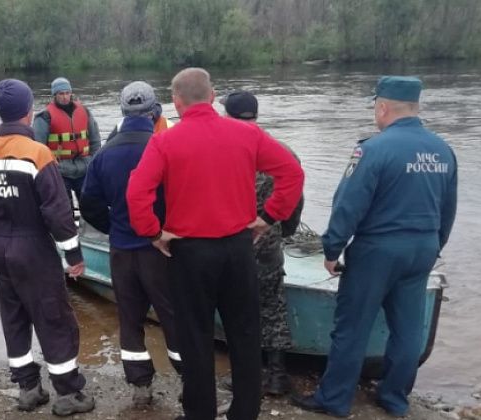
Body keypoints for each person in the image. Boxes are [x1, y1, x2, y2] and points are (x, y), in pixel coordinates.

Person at [127, 68, 305, 420]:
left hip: (190, 252)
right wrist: (269, 217)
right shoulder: (247, 134)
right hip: (239, 248)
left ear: (176, 102)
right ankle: (245, 411)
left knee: (194, 336)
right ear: (212, 96)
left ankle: (200, 413)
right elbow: (292, 173)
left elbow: (137, 193)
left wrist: (153, 233)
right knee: (245, 333)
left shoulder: (164, 141)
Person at [292, 76, 458, 418]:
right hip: (423, 248)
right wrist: (434, 245)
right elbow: (448, 207)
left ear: (383, 107)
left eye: (374, 106)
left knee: (352, 326)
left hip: (378, 251)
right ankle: (395, 398)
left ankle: (334, 400)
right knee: (408, 328)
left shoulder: (372, 149)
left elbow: (348, 205)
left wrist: (331, 249)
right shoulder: (443, 149)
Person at [0, 79, 95, 417]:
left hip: (1, 250)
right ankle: (68, 393)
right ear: (27, 112)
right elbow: (58, 212)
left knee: (13, 318)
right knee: (54, 318)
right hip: (34, 248)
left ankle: (28, 388)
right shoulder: (38, 154)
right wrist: (74, 256)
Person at [79, 81, 183, 407]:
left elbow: (89, 203)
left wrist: (115, 227)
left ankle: (140, 387)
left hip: (122, 250)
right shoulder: (165, 147)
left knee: (130, 318)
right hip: (161, 249)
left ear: (122, 112)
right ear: (155, 113)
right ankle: (189, 381)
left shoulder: (103, 155)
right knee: (174, 316)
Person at [221, 90, 304, 396]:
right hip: (269, 243)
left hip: (234, 245)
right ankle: (279, 375)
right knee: (274, 307)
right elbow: (295, 199)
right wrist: (283, 231)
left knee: (241, 313)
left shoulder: (225, 152)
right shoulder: (280, 151)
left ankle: (248, 377)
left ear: (229, 116)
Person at [33, 77, 102, 205]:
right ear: (55, 95)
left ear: (71, 93)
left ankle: (87, 224)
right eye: (61, 94)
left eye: (67, 93)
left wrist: (93, 160)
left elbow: (95, 140)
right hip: (60, 171)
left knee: (92, 206)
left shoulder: (84, 112)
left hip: (84, 168)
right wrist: (51, 167)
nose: (65, 97)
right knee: (64, 209)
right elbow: (38, 147)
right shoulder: (45, 117)